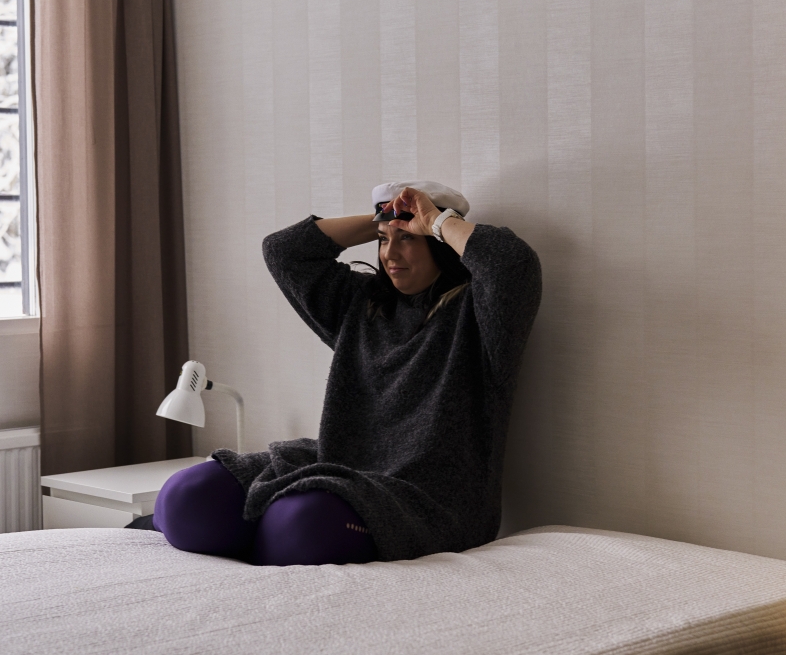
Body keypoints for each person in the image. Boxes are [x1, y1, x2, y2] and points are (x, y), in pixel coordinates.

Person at [135, 181, 542, 566]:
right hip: (338, 462)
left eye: (408, 239)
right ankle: (257, 531)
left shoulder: (483, 317)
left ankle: (264, 533)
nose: (390, 254)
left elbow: (512, 262)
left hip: (430, 495)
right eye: (385, 240)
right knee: (186, 497)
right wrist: (386, 218)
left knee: (297, 524)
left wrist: (434, 220)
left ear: (441, 244)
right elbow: (283, 250)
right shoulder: (362, 304)